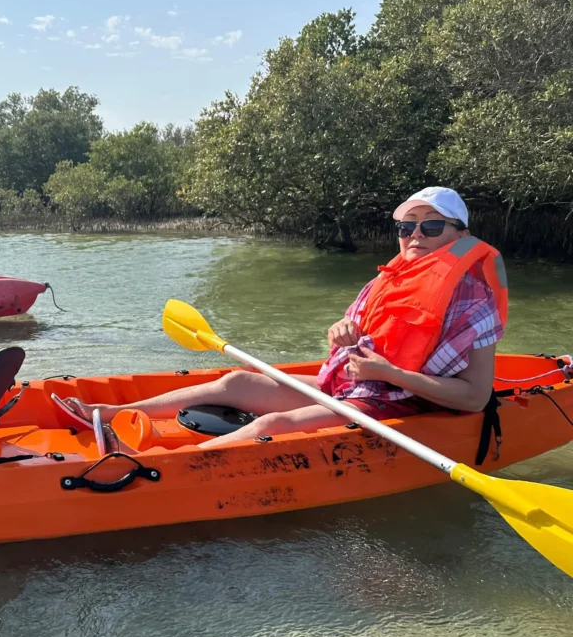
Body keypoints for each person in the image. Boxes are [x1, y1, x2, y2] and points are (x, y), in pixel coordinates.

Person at [55, 187, 507, 448]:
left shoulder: (474, 301)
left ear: (460, 235)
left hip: (397, 404)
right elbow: (348, 342)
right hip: (357, 385)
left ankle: (158, 467)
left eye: (430, 226)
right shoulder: (389, 279)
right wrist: (342, 333)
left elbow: (472, 398)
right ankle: (111, 412)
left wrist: (391, 374)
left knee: (273, 427)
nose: (414, 236)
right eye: (407, 227)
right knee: (236, 382)